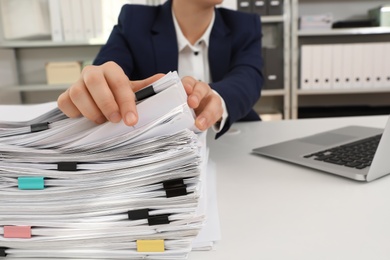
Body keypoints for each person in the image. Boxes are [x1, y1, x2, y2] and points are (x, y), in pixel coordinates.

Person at [57, 0, 264, 138]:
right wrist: (100, 80)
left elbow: (249, 75)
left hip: (232, 143)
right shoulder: (134, 20)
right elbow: (109, 66)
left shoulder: (245, 24)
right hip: (156, 154)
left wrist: (217, 99)